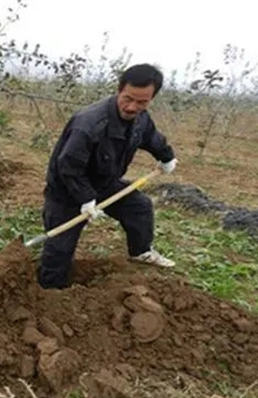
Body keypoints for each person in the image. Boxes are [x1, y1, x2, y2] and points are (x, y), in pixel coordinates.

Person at [38, 63, 177, 290]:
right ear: (119, 89)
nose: (132, 107)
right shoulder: (89, 124)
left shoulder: (140, 118)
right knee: (60, 247)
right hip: (68, 191)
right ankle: (50, 291)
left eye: (142, 102)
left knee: (139, 207)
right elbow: (69, 166)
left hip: (104, 183)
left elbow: (150, 136)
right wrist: (85, 198)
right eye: (128, 98)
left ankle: (140, 251)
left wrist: (166, 157)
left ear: (151, 98)